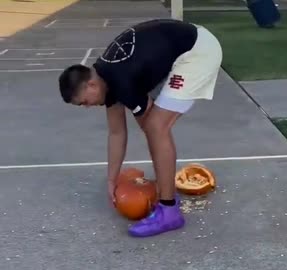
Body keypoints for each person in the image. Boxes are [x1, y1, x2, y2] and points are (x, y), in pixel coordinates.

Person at [57, 19, 223, 237]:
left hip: (197, 52)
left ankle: (169, 211)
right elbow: (116, 133)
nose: (87, 107)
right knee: (154, 128)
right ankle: (167, 194)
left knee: (156, 127)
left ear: (91, 85)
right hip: (182, 46)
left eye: (84, 102)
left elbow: (151, 127)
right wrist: (111, 179)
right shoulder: (104, 78)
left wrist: (158, 188)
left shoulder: (120, 79)